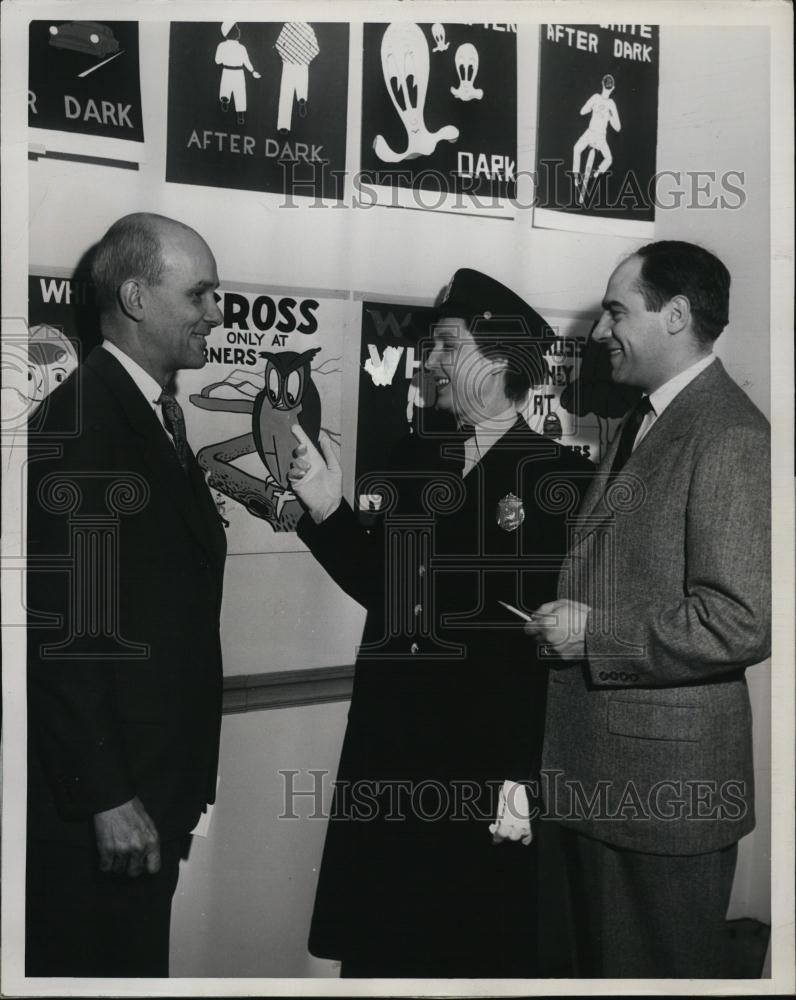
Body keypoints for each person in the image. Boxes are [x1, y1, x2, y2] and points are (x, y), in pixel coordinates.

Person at [288, 269, 593, 977]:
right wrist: (327, 509)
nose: (425, 364)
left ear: (498, 360)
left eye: (446, 347)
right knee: (382, 959)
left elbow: (557, 653)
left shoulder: (563, 485)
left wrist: (528, 776)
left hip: (483, 778)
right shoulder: (412, 459)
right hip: (389, 760)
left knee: (472, 955)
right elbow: (386, 593)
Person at [526, 241, 771, 978]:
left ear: (675, 315)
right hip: (605, 783)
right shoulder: (648, 420)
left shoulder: (729, 434)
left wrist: (592, 635)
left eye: (615, 311)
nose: (600, 332)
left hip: (665, 802)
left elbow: (741, 619)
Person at [26, 213, 227, 976]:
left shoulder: (148, 414)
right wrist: (105, 795)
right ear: (137, 297)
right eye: (202, 293)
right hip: (103, 813)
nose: (217, 313)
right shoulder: (84, 421)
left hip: (152, 789)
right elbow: (64, 629)